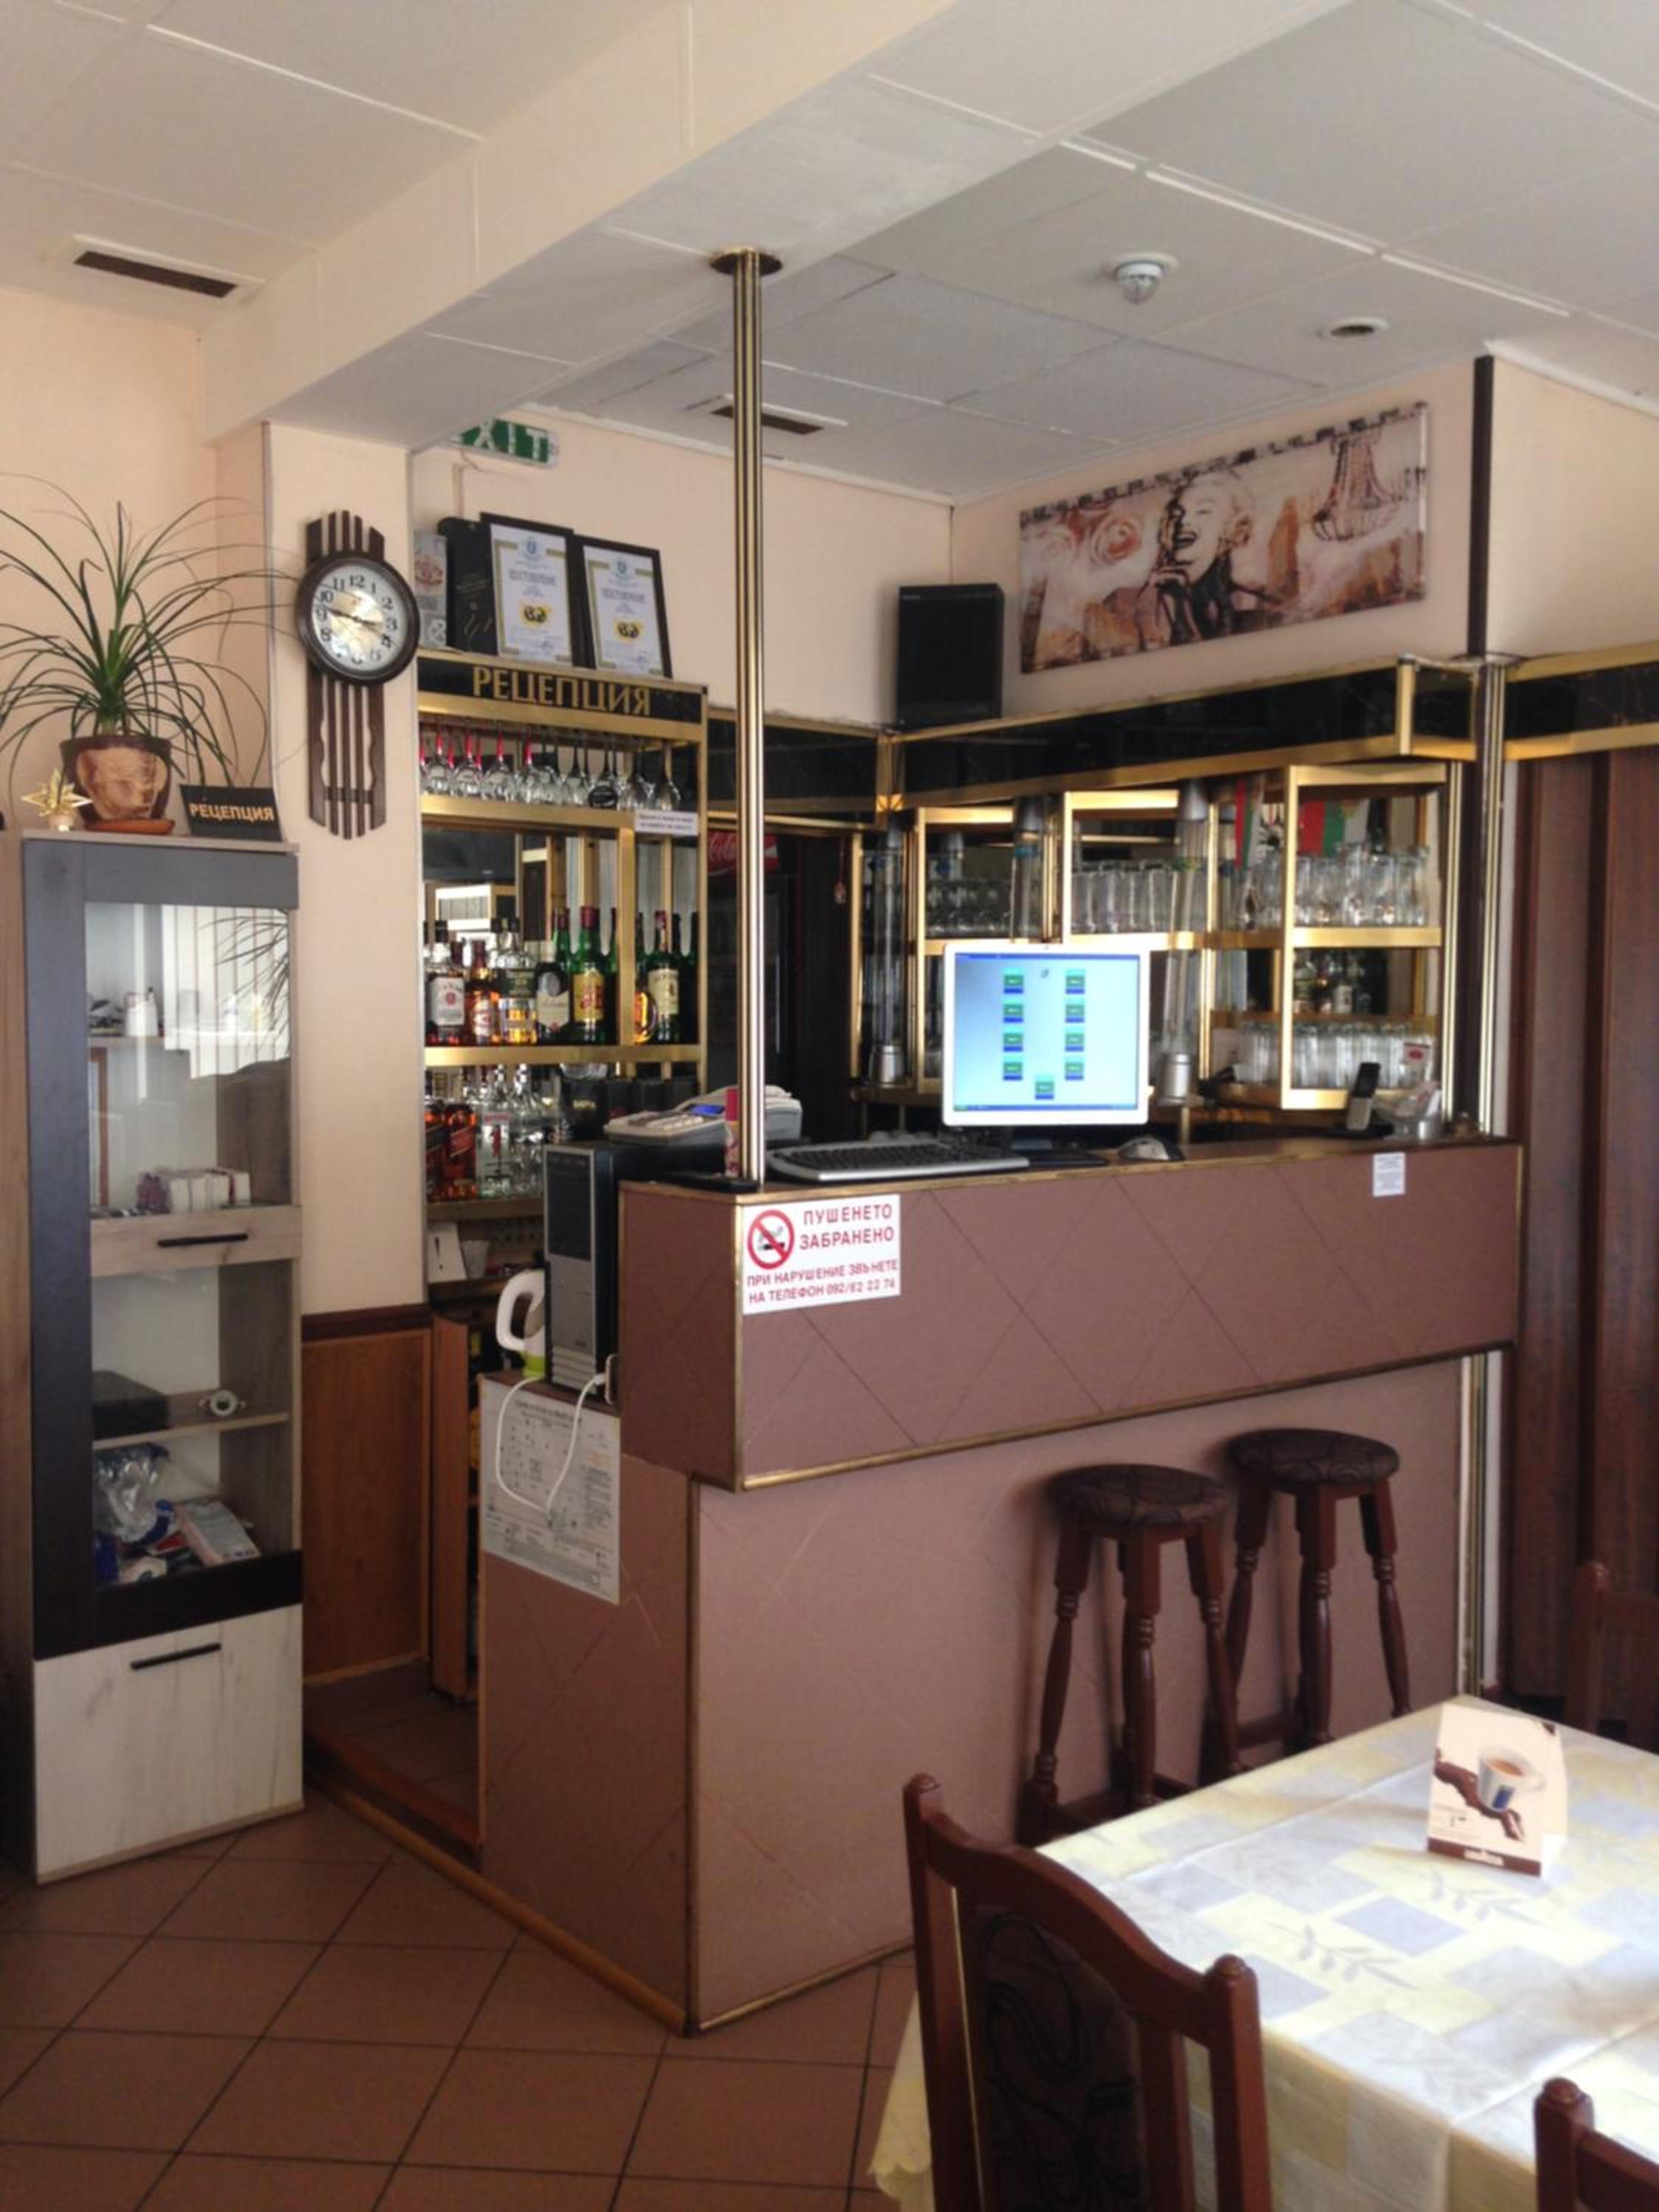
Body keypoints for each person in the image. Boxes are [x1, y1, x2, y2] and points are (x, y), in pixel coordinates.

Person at [1131, 467, 1273, 647]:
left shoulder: (1253, 606)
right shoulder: (1146, 599)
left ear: (1234, 528)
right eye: (1177, 514)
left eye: (1202, 511)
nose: (1183, 521)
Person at [70, 736, 170, 822]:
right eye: (125, 783)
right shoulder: (95, 777)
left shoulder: (154, 781)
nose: (142, 791)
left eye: (147, 780)